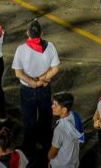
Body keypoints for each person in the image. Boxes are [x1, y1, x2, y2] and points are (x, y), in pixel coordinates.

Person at [12, 21, 59, 163]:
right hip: (44, 88)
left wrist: (33, 82)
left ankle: (29, 148)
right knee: (45, 117)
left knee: (29, 119)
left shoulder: (21, 49)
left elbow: (18, 73)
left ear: (28, 33)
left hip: (27, 89)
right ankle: (46, 144)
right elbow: (56, 68)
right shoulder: (50, 46)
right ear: (42, 33)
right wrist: (42, 79)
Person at [47, 92, 81, 168]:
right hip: (74, 163)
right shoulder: (75, 116)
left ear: (64, 110)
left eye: (55, 105)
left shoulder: (60, 130)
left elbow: (52, 154)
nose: (52, 106)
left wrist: (49, 159)